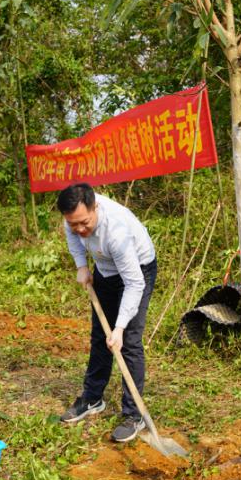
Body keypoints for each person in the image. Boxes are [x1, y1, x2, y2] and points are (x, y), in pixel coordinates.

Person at [56, 182, 157, 443]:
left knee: (128, 342)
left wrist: (121, 327)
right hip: (105, 270)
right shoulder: (73, 218)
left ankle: (134, 414)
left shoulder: (117, 232)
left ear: (95, 207)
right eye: (73, 223)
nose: (79, 229)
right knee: (100, 336)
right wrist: (81, 266)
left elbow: (135, 284)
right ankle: (92, 399)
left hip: (138, 271)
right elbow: (72, 235)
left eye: (84, 223)